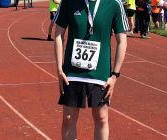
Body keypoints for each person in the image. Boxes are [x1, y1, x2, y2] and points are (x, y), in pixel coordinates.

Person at [53, 0, 129, 139]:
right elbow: (58, 34)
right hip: (72, 72)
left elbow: (122, 41)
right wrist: (59, 69)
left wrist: (114, 75)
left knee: (101, 117)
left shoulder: (114, 4)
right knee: (68, 118)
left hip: (100, 74)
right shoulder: (69, 2)